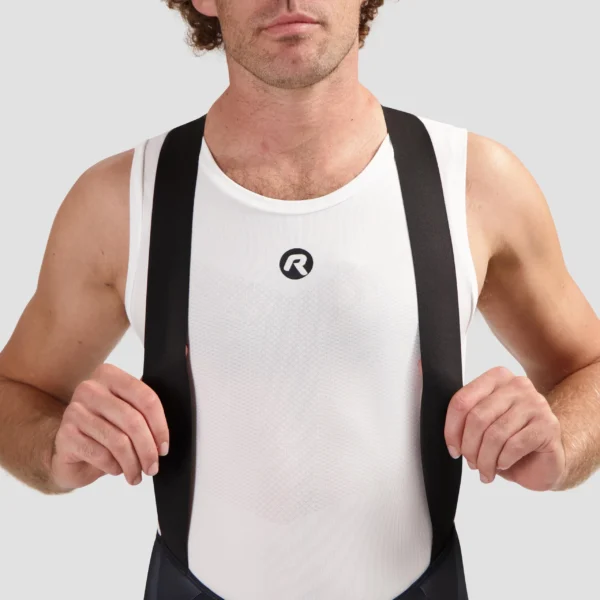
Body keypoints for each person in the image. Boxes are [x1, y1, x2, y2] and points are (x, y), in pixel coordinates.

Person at [1, 1, 600, 599]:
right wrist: (54, 448)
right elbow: (14, 392)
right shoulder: (120, 203)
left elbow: (589, 368)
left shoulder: (474, 182)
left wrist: (559, 442)